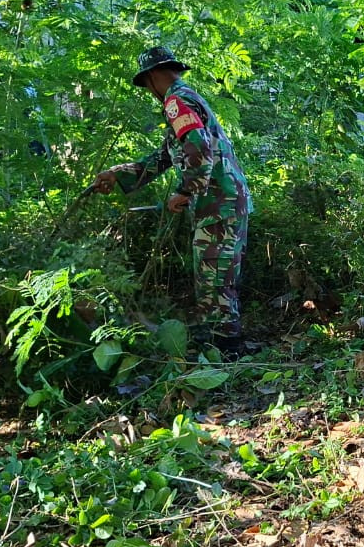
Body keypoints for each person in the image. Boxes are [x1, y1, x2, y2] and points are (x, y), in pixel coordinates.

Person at [91, 47, 252, 354]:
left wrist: (186, 190)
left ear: (152, 78)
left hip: (218, 202)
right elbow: (164, 157)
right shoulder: (187, 99)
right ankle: (223, 343)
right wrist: (118, 174)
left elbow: (198, 146)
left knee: (214, 276)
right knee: (216, 273)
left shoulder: (176, 102)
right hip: (225, 200)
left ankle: (226, 349)